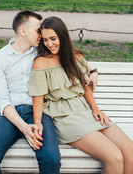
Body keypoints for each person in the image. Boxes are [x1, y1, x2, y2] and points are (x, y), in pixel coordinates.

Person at [29, 16, 133, 174]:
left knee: (130, 151)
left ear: (62, 36)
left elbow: (85, 88)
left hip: (84, 110)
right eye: (45, 40)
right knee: (115, 157)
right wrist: (38, 122)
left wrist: (95, 109)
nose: (49, 44)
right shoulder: (41, 62)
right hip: (63, 116)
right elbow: (38, 97)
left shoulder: (76, 56)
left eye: (53, 38)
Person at [0, 10, 61, 174]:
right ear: (23, 31)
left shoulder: (41, 52)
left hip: (37, 111)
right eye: (38, 31)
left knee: (51, 160)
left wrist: (93, 71)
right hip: (7, 114)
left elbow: (70, 55)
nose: (41, 35)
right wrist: (24, 128)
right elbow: (1, 100)